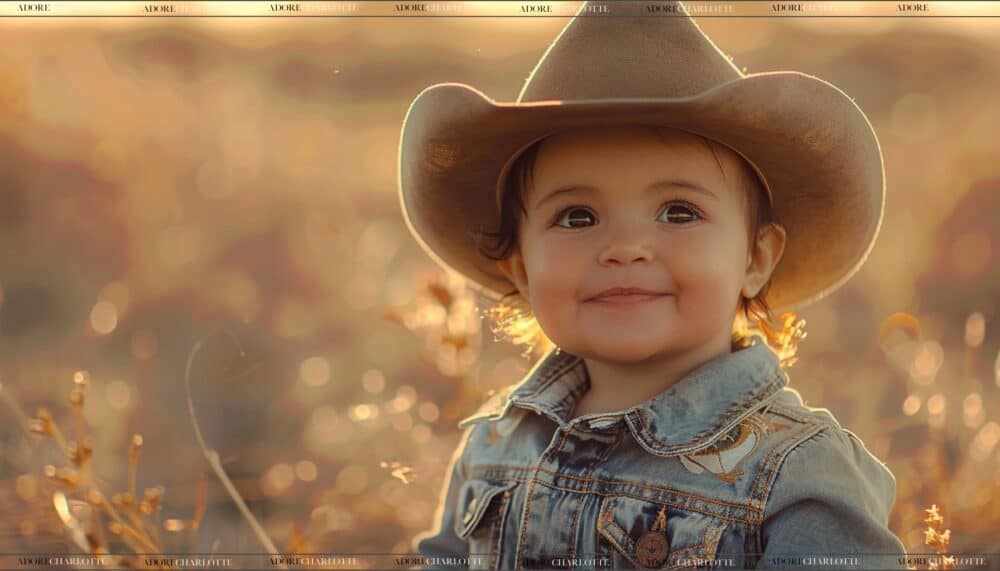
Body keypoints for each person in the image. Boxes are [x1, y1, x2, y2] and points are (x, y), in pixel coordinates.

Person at [399, 1, 907, 569]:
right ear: (520, 269)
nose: (624, 248)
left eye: (679, 212)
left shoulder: (796, 473)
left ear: (756, 258)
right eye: (577, 217)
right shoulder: (493, 445)